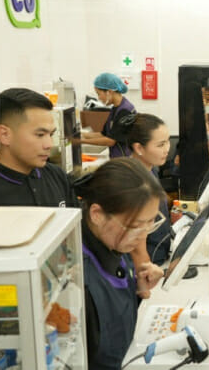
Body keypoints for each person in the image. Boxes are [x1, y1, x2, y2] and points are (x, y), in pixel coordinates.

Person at [73, 158, 165, 370]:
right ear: (97, 214)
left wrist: (137, 290)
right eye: (135, 226)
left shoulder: (112, 242)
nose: (142, 235)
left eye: (150, 223)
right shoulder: (77, 279)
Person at [120, 113, 173, 265]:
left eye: (168, 142)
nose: (167, 149)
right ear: (139, 148)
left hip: (159, 253)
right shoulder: (135, 183)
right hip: (149, 262)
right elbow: (136, 243)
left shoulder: (150, 169)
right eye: (160, 145)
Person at [81, 73, 136, 158]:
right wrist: (82, 135)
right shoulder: (115, 108)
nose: (98, 98)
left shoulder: (125, 110)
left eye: (99, 94)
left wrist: (81, 141)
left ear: (109, 92)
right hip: (117, 158)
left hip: (124, 159)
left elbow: (110, 141)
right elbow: (104, 134)